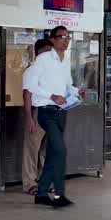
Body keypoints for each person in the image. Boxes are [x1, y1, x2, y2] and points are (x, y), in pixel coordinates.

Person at [31, 26, 78, 208]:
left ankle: (43, 194)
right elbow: (31, 84)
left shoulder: (65, 60)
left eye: (68, 37)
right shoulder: (42, 59)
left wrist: (76, 91)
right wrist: (51, 96)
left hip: (61, 111)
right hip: (46, 111)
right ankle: (58, 195)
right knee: (60, 150)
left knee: (52, 153)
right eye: (62, 37)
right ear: (52, 40)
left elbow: (67, 85)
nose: (66, 40)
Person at [20, 38, 53, 196]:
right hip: (37, 112)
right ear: (37, 53)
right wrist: (29, 118)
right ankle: (29, 183)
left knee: (44, 150)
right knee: (32, 150)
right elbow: (26, 95)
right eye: (45, 52)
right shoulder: (32, 70)